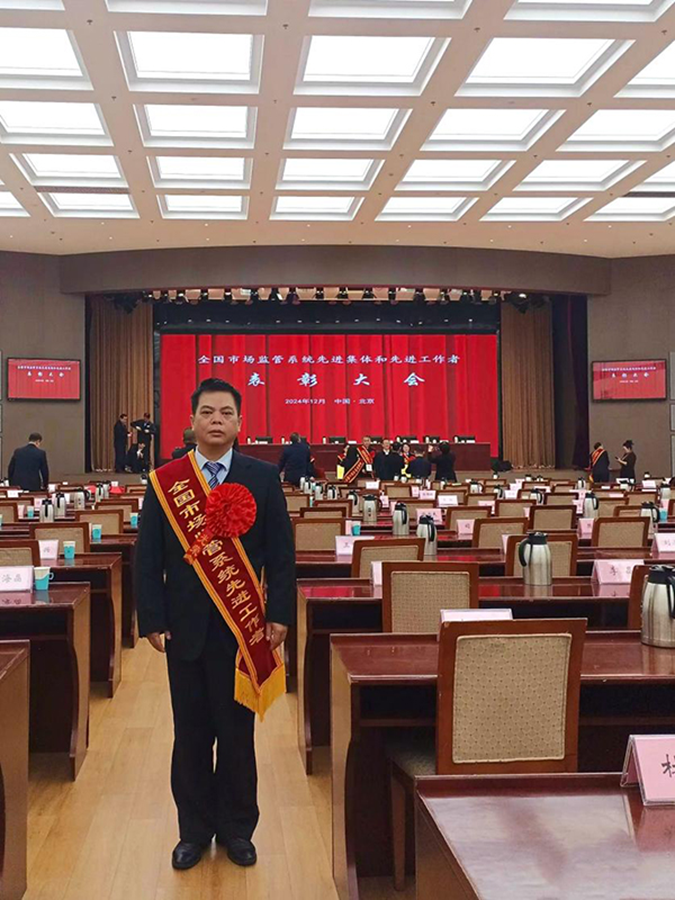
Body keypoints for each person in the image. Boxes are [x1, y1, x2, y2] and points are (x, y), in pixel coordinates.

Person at [134, 378, 295, 873]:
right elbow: (147, 557)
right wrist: (152, 618)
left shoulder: (261, 478)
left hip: (242, 629)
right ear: (192, 421)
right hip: (183, 630)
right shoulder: (166, 481)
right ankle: (192, 831)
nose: (217, 420)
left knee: (237, 734)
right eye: (207, 412)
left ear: (240, 422)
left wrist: (280, 614)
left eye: (226, 412)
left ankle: (237, 829)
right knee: (190, 735)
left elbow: (281, 554)